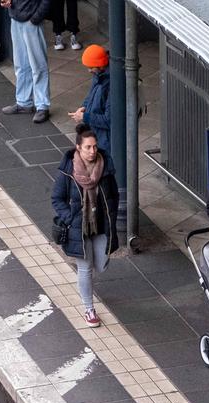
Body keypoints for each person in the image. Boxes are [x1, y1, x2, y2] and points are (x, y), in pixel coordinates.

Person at [51, 124, 119, 327]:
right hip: (78, 229)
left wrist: (112, 217)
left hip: (100, 225)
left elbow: (113, 195)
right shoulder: (69, 172)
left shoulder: (105, 168)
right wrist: (70, 218)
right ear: (78, 148)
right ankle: (89, 309)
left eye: (95, 147)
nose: (92, 151)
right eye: (88, 147)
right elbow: (57, 199)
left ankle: (85, 287)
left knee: (101, 264)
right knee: (86, 268)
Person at [0, 0, 52, 125]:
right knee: (21, 64)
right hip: (16, 18)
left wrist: (36, 18)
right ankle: (24, 102)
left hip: (31, 21)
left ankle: (42, 106)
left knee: (38, 66)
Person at [69, 46, 110, 153]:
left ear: (100, 65)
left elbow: (108, 120)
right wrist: (84, 107)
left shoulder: (111, 84)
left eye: (91, 67)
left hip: (105, 139)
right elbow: (91, 95)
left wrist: (84, 116)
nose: (89, 71)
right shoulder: (99, 74)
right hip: (96, 133)